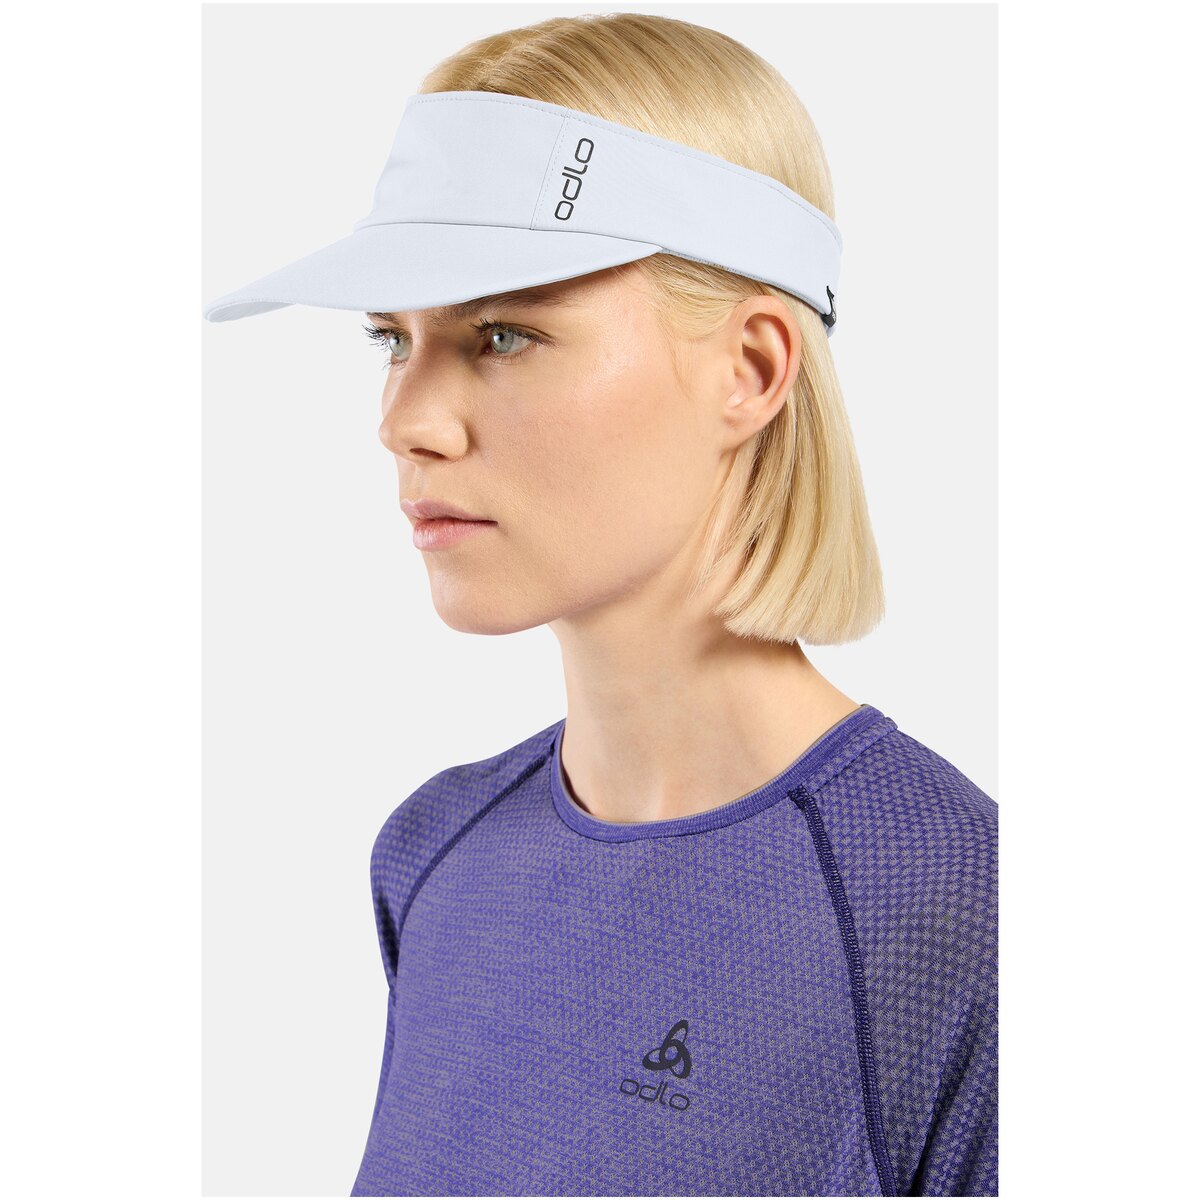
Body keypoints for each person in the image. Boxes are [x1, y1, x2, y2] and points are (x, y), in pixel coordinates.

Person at [204, 12, 997, 1197]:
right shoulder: (435, 858)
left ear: (752, 369)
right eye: (391, 338)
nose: (404, 421)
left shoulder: (959, 911)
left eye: (502, 334)